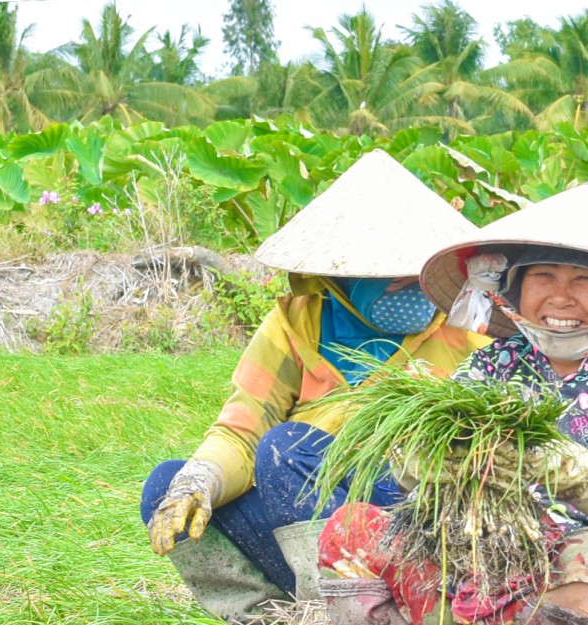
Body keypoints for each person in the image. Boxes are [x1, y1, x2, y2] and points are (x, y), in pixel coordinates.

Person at [314, 183, 588, 625]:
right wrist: (425, 460)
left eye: (584, 279)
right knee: (352, 528)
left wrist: (570, 469)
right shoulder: (496, 363)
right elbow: (423, 459)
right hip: (493, 564)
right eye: (543, 275)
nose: (560, 297)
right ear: (515, 288)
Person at [139, 150, 491, 623]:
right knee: (168, 486)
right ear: (340, 276)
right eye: (393, 278)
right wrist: (201, 480)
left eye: (419, 276)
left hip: (413, 519)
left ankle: (346, 612)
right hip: (304, 519)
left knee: (288, 448)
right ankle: (273, 614)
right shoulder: (293, 325)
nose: (412, 289)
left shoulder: (466, 331)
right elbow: (243, 430)